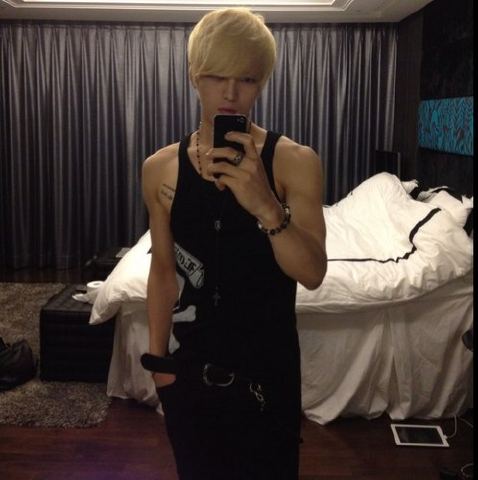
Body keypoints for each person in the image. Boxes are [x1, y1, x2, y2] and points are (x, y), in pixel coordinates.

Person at [141, 7, 327, 480]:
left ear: (261, 81)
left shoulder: (295, 162)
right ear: (194, 76)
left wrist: (266, 205)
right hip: (189, 377)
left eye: (246, 79)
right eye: (216, 77)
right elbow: (162, 271)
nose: (230, 93)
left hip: (269, 378)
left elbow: (312, 273)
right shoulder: (160, 169)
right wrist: (159, 366)